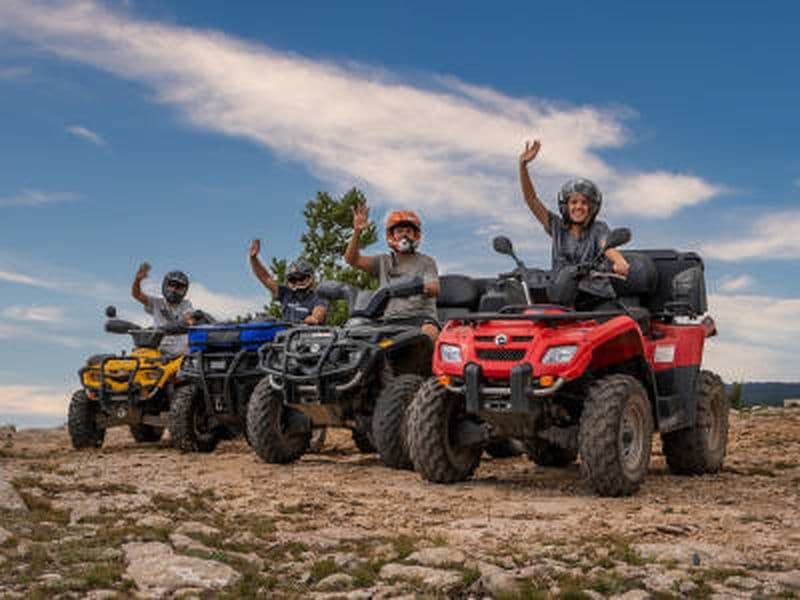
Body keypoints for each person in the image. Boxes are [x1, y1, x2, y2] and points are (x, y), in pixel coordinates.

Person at [518, 139, 630, 307]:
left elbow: (607, 246)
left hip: (597, 298)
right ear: (566, 206)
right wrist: (523, 167)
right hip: (562, 298)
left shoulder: (598, 229)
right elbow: (531, 200)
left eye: (584, 203)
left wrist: (619, 261)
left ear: (592, 208)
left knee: (615, 323)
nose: (579, 207)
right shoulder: (557, 227)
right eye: (574, 202)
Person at [345, 203, 440, 340]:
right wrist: (357, 232)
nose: (404, 235)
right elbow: (352, 259)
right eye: (400, 231)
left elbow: (435, 288)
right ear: (392, 235)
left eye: (408, 231)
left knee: (429, 332)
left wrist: (408, 287)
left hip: (420, 317)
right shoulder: (383, 261)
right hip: (389, 320)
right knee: (357, 338)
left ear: (415, 235)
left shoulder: (426, 261)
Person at [248, 239, 328, 324]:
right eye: (293, 279)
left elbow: (317, 317)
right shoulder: (286, 292)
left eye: (302, 278)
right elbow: (265, 277)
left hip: (308, 335)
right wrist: (253, 259)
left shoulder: (319, 297)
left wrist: (309, 320)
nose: (298, 282)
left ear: (310, 278)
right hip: (286, 335)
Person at [131, 263, 195, 356]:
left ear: (184, 290)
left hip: (180, 355)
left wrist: (186, 322)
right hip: (158, 351)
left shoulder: (185, 305)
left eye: (179, 287)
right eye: (171, 285)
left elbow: (190, 319)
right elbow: (137, 295)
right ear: (165, 285)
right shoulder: (157, 303)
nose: (173, 290)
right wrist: (138, 280)